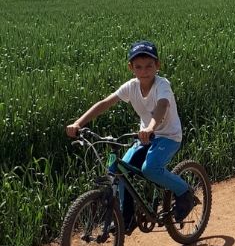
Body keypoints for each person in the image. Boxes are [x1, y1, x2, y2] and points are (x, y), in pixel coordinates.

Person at [66, 40, 195, 232]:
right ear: (131, 68)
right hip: (145, 136)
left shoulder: (162, 85)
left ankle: (185, 193)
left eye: (149, 65)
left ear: (157, 65)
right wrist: (78, 123)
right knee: (118, 171)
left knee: (150, 169)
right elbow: (104, 103)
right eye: (138, 67)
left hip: (168, 136)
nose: (144, 71)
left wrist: (151, 126)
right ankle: (126, 219)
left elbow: (161, 106)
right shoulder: (131, 87)